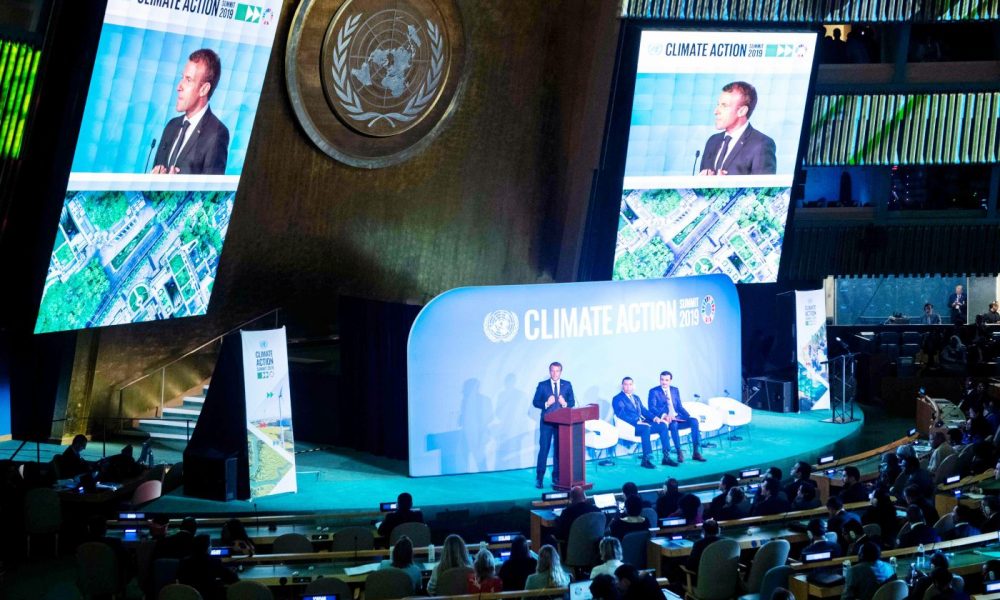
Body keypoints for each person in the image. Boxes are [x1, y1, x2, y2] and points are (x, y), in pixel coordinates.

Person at [152, 49, 229, 175]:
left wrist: (175, 190)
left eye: (188, 80)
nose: (179, 87)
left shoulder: (217, 133)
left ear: (204, 89)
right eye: (182, 78)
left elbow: (210, 193)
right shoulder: (171, 126)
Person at [698, 81, 776, 176]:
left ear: (742, 111)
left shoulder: (761, 144)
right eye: (718, 105)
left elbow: (764, 189)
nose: (716, 111)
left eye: (724, 105)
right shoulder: (712, 141)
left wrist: (727, 187)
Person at [613, 376, 673, 468]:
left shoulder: (636, 397)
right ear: (622, 386)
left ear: (633, 386)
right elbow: (621, 415)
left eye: (630, 384)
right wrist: (636, 421)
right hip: (631, 426)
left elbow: (644, 411)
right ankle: (646, 460)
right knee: (646, 428)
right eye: (626, 385)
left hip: (642, 424)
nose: (628, 387)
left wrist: (655, 418)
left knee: (662, 425)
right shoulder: (617, 398)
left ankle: (666, 457)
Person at [647, 371, 706, 463]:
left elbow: (679, 406)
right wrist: (664, 415)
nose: (664, 382)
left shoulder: (675, 390)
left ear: (670, 381)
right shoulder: (654, 391)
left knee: (694, 421)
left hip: (677, 417)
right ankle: (679, 452)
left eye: (666, 380)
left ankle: (696, 452)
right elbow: (652, 408)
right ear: (659, 380)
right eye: (662, 379)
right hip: (666, 419)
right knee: (674, 425)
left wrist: (686, 416)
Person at [533, 362, 575, 488]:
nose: (555, 373)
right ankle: (539, 478)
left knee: (559, 451)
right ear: (549, 371)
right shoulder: (542, 385)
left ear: (561, 372)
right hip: (547, 423)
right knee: (544, 450)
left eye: (557, 371)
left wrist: (565, 403)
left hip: (561, 423)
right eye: (552, 370)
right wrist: (546, 403)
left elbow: (572, 402)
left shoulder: (567, 384)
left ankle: (556, 477)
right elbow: (535, 402)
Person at [176, 533, 238, 600]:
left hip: (188, 596)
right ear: (208, 547)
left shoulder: (184, 562)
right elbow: (232, 579)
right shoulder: (213, 562)